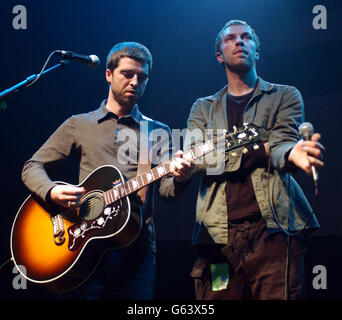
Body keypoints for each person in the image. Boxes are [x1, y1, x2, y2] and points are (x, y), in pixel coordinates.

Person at [171, 20, 325, 300]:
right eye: (230, 39)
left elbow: (282, 146)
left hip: (274, 233)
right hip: (218, 238)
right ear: (219, 55)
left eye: (246, 37)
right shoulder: (202, 108)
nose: (239, 42)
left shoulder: (284, 95)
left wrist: (289, 153)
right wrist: (260, 148)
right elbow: (199, 159)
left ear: (257, 50)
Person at [21, 42, 188, 299]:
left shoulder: (157, 131)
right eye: (128, 74)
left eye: (142, 77)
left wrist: (182, 178)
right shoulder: (79, 124)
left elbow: (167, 192)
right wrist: (52, 190)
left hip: (137, 252)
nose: (135, 82)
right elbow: (33, 166)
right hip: (82, 247)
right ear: (108, 74)